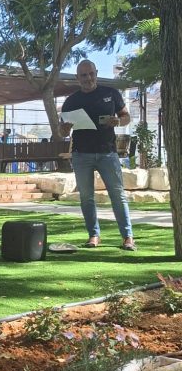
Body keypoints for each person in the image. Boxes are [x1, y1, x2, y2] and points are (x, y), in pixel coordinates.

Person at [60, 59, 135, 251]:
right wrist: (65, 129)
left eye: (91, 73)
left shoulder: (111, 93)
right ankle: (94, 235)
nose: (88, 78)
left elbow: (126, 117)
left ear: (96, 73)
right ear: (77, 78)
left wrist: (118, 121)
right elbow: (62, 131)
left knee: (118, 195)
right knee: (86, 198)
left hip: (107, 153)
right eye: (84, 75)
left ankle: (127, 237)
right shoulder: (71, 101)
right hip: (81, 155)